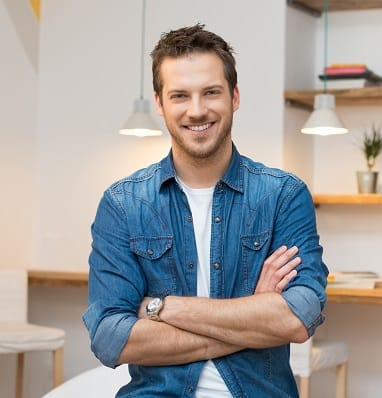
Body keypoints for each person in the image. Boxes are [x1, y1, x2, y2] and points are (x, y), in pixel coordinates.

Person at [83, 23, 328, 397]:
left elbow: (297, 317)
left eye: (211, 92)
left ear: (234, 96)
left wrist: (161, 307)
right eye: (180, 95)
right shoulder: (123, 204)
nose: (197, 111)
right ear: (160, 104)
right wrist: (254, 315)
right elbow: (110, 339)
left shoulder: (283, 195)